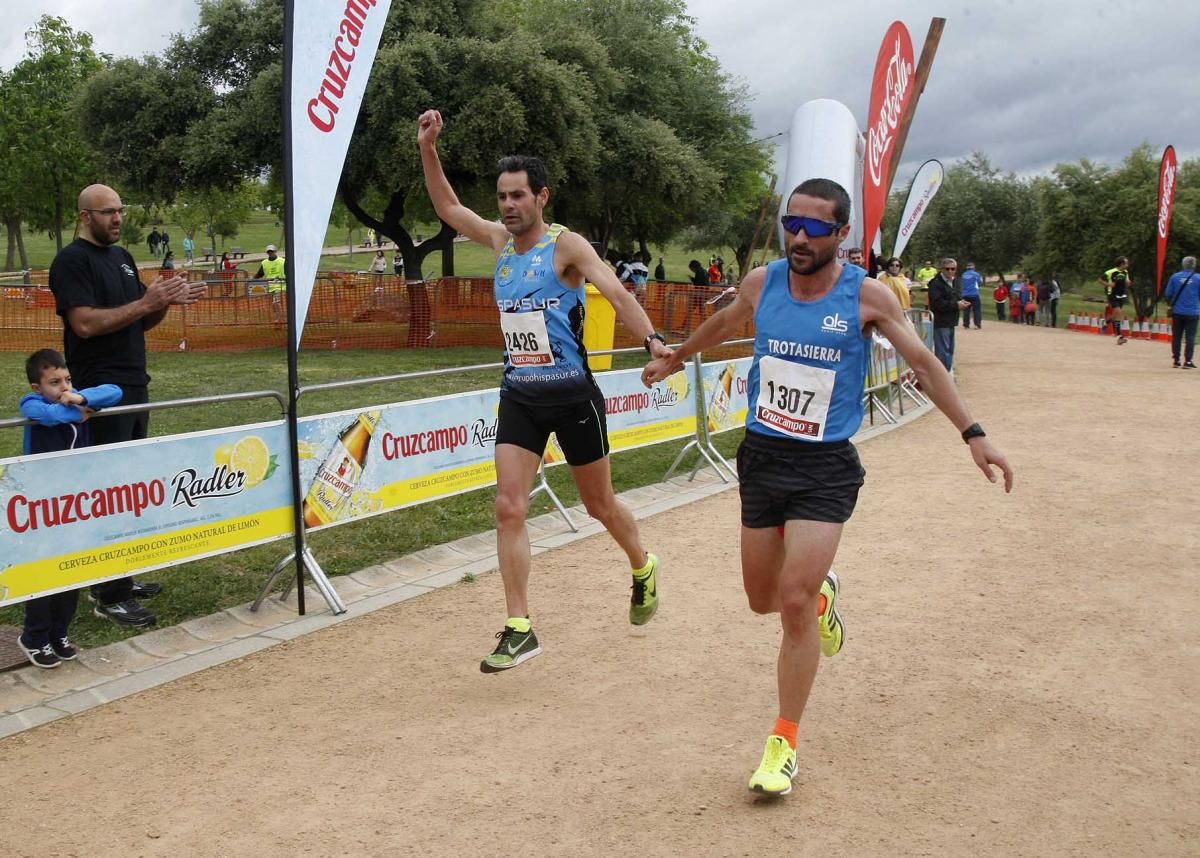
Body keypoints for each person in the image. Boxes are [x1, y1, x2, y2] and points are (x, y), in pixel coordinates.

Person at [641, 177, 1013, 797]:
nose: (800, 237)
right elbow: (728, 321)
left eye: (816, 228)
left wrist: (973, 433)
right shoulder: (763, 283)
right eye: (794, 223)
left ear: (842, 235)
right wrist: (677, 356)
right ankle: (822, 598)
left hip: (824, 468)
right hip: (762, 457)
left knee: (789, 601)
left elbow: (924, 364)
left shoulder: (866, 296)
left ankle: (783, 740)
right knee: (763, 600)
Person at [417, 108, 670, 672]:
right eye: (502, 196)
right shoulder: (498, 243)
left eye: (517, 196)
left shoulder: (567, 247)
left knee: (598, 504)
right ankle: (518, 625)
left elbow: (618, 293)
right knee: (509, 507)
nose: (507, 206)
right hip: (521, 397)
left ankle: (641, 563)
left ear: (542, 197)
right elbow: (447, 208)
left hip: (574, 396)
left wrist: (652, 340)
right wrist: (428, 150)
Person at [49, 183, 204, 628]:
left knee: (130, 486)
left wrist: (164, 303)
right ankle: (109, 595)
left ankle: (118, 575)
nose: (117, 219)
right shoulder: (71, 261)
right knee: (108, 489)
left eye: (120, 211)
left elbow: (141, 315)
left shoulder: (122, 257)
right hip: (99, 392)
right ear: (85, 216)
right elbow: (83, 324)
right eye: (107, 212)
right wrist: (145, 301)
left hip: (135, 384)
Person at [16, 349, 123, 668]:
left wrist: (78, 398)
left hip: (75, 500)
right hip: (42, 501)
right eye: (54, 382)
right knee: (44, 569)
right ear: (37, 386)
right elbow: (47, 416)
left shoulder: (77, 397)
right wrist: (77, 412)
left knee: (72, 565)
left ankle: (59, 632)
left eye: (67, 379)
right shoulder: (31, 403)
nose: (63, 387)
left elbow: (114, 392)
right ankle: (34, 635)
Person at [928, 258, 968, 371]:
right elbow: (938, 304)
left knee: (950, 350)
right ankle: (942, 377)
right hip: (941, 322)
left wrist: (962, 302)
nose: (950, 271)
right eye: (947, 269)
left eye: (953, 269)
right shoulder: (935, 283)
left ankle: (947, 374)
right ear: (942, 269)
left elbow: (956, 297)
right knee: (942, 352)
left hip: (951, 321)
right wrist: (956, 305)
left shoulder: (954, 282)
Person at [1164, 255, 1199, 368]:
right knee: (1190, 337)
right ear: (1194, 265)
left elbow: (1168, 294)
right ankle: (1188, 361)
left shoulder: (1175, 277)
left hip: (1177, 311)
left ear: (1183, 264)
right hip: (1192, 311)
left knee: (1177, 336)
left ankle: (1176, 360)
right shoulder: (1198, 278)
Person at [256, 244, 286, 324]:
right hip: (269, 286)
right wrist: (252, 279)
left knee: (276, 302)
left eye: (272, 251)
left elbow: (288, 270)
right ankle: (276, 317)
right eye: (269, 252)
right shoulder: (264, 263)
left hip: (280, 285)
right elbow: (260, 274)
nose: (270, 253)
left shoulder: (282, 261)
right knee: (273, 304)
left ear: (275, 251)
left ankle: (278, 319)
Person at [1104, 257, 1131, 344]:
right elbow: (1100, 280)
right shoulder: (1110, 272)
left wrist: (1128, 282)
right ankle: (1120, 337)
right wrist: (1108, 284)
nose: (1127, 265)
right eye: (1126, 263)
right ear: (1121, 264)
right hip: (1112, 294)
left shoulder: (1125, 272)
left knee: (1116, 314)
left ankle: (1109, 320)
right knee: (1118, 312)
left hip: (1121, 294)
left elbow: (1126, 281)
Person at [959, 262, 983, 329]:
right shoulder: (976, 274)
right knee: (976, 310)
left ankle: (966, 325)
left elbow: (961, 284)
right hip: (974, 294)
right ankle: (977, 324)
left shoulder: (963, 275)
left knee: (966, 310)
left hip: (965, 294)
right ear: (973, 268)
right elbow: (980, 283)